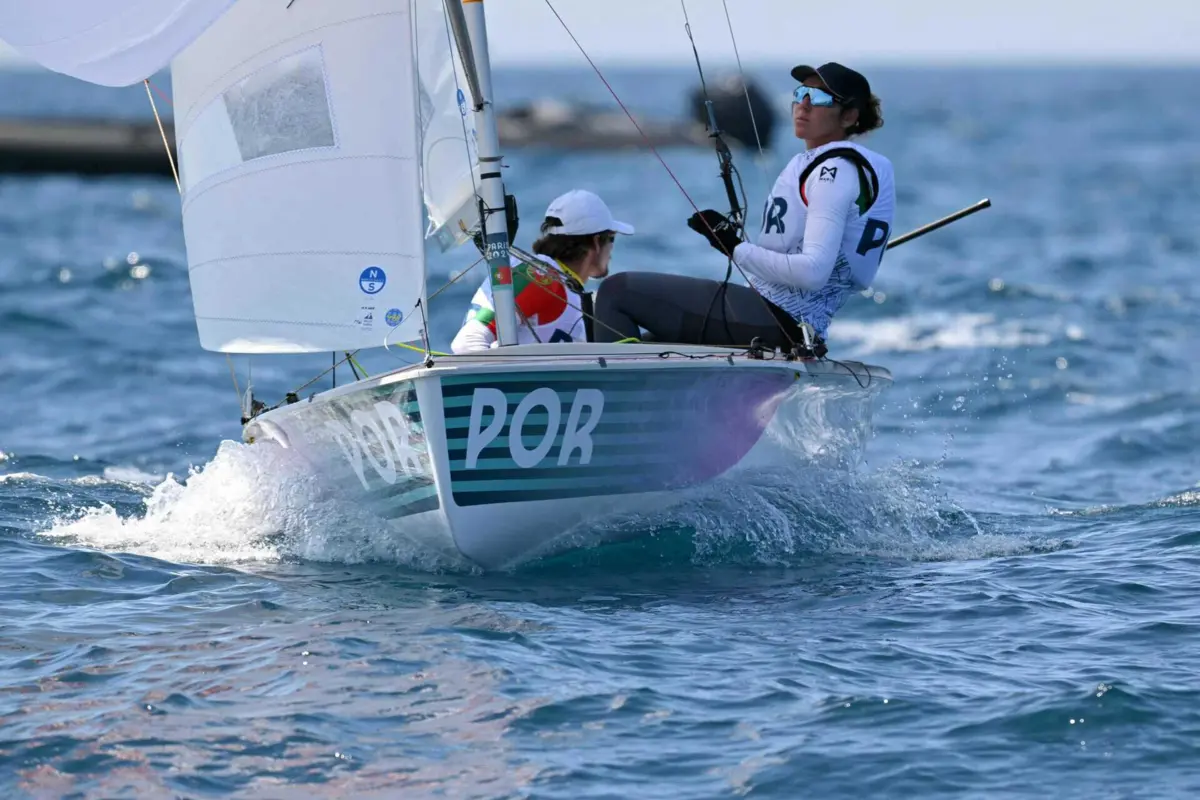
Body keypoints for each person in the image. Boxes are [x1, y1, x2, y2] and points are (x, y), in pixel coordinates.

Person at [593, 62, 895, 352]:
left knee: (617, 292)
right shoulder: (842, 165)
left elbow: (813, 272)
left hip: (781, 320)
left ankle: (608, 392)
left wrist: (733, 247)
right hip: (781, 318)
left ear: (849, 116)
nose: (803, 104)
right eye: (799, 94)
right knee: (648, 344)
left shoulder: (835, 172)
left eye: (818, 98)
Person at [450, 189, 633, 353]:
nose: (611, 251)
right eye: (612, 239)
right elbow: (467, 343)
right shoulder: (543, 279)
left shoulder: (559, 282)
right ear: (596, 241)